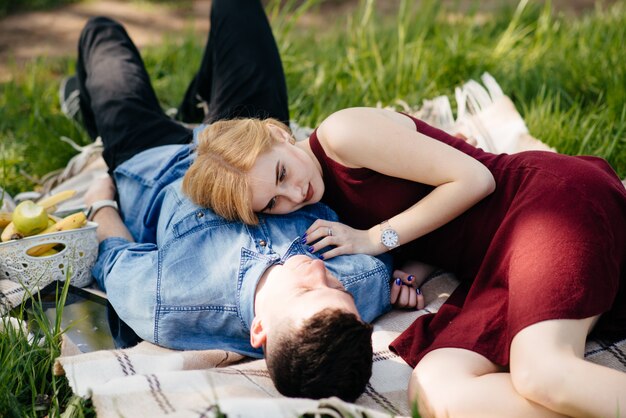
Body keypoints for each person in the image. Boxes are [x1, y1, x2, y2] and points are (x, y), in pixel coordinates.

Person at [71, 0, 425, 402]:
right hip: (247, 142)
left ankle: (94, 109)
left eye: (306, 292)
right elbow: (398, 244)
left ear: (260, 330)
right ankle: (196, 103)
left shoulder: (168, 305)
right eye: (334, 285)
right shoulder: (360, 284)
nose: (317, 271)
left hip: (154, 163)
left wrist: (101, 203)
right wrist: (408, 277)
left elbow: (115, 256)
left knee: (101, 32)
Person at [183, 99, 626, 415]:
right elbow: (437, 222)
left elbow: (475, 180)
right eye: (273, 203)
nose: (293, 195)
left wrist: (376, 239)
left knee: (542, 373)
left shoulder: (343, 134)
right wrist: (411, 273)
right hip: (496, 261)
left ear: (280, 134)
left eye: (281, 173)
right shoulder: (322, 202)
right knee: (434, 391)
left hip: (540, 205)